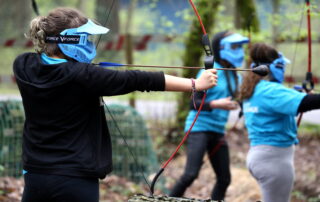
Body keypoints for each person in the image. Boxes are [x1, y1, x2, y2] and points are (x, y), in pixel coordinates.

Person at [14, 7, 218, 202]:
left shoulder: (23, 65)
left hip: (35, 176)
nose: (90, 45)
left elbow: (56, 68)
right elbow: (140, 79)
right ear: (70, 41)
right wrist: (196, 84)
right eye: (86, 39)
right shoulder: (86, 76)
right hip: (75, 179)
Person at [169, 31, 249, 200]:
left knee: (224, 179)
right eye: (234, 46)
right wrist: (216, 104)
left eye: (241, 47)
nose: (239, 51)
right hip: (199, 128)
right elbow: (194, 104)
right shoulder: (209, 71)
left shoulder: (236, 75)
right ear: (221, 48)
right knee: (190, 174)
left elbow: (245, 99)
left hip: (218, 131)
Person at [238, 43, 320, 202]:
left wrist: (298, 95)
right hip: (274, 162)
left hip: (260, 157)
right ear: (276, 67)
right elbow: (306, 103)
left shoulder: (254, 88)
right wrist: (303, 98)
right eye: (282, 66)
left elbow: (271, 105)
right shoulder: (271, 91)